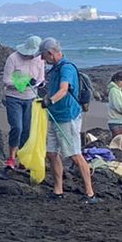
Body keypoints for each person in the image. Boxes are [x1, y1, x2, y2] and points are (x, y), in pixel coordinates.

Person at [39, 40, 96, 201]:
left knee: (74, 155)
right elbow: (53, 90)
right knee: (51, 153)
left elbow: (64, 89)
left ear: (51, 53)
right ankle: (58, 190)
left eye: (44, 55)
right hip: (54, 116)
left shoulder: (67, 68)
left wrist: (50, 101)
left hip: (67, 116)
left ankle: (89, 193)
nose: (43, 59)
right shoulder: (55, 70)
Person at [0, 35, 43, 170]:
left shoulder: (40, 60)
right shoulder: (13, 58)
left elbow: (41, 78)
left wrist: (37, 84)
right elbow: (6, 80)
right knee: (17, 127)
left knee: (27, 130)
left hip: (31, 98)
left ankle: (23, 159)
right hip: (13, 97)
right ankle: (12, 157)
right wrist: (23, 83)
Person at [105, 70, 122, 138]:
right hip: (116, 121)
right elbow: (120, 108)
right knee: (118, 143)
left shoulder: (117, 90)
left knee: (118, 142)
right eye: (121, 80)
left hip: (119, 121)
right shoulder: (114, 91)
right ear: (116, 80)